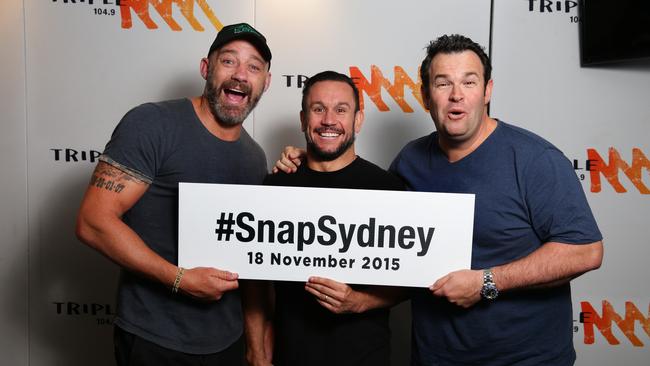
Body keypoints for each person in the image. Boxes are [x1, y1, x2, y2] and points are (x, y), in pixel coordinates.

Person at [274, 35, 603, 365]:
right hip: (434, 357)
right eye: (443, 83)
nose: (456, 94)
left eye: (469, 82)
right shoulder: (410, 161)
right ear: (426, 96)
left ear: (487, 91)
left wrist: (487, 282)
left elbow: (586, 250)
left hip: (523, 358)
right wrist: (315, 159)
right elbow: (379, 237)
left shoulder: (534, 159)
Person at [75, 23, 272, 365]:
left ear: (265, 83)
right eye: (228, 61)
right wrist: (180, 279)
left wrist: (256, 348)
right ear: (206, 68)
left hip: (227, 342)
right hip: (156, 339)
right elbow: (93, 222)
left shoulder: (255, 157)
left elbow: (250, 264)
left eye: (253, 67)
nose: (240, 75)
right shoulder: (152, 124)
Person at [245, 71, 405, 366]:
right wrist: (256, 350)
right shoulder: (276, 186)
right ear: (304, 119)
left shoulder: (389, 190)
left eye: (341, 110)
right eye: (318, 109)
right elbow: (255, 279)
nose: (329, 120)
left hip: (365, 357)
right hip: (288, 356)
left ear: (358, 119)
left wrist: (358, 302)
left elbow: (411, 283)